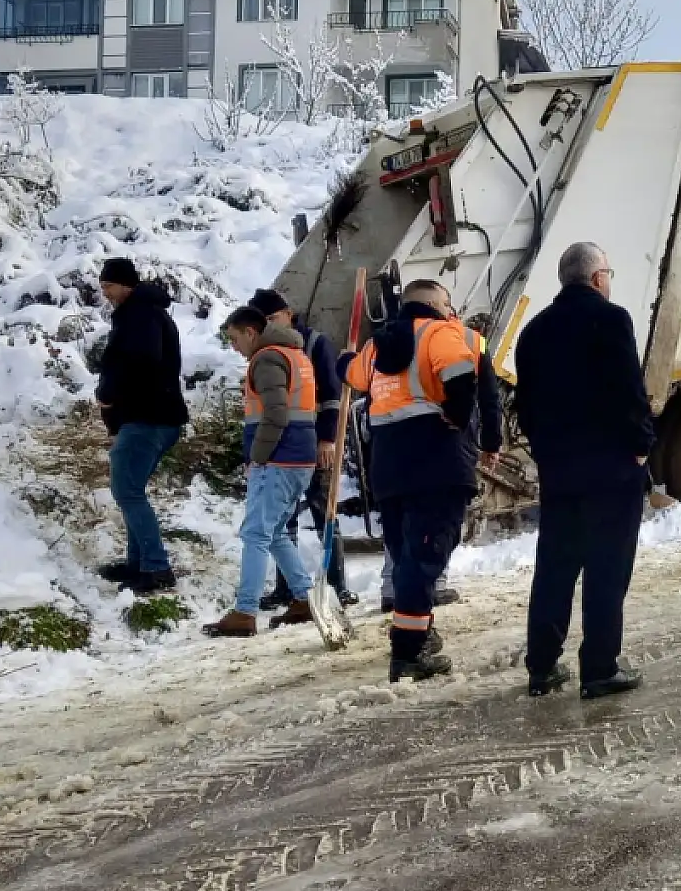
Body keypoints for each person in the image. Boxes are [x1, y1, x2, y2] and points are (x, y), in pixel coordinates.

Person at [340, 280, 500, 681]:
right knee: (425, 557)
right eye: (447, 303)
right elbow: (462, 381)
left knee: (408, 558)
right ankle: (408, 653)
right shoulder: (441, 334)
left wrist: (343, 360)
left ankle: (418, 634)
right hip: (436, 462)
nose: (451, 310)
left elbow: (352, 375)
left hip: (388, 469)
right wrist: (459, 419)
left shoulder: (375, 347)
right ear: (435, 304)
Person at [513, 242, 653, 699]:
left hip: (559, 472)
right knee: (606, 568)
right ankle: (599, 668)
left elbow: (525, 408)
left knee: (555, 568)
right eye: (608, 272)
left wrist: (546, 451)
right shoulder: (611, 320)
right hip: (611, 469)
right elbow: (628, 391)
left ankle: (542, 667)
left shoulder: (533, 333)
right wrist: (641, 445)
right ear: (597, 278)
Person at [201, 308, 323, 638]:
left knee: (256, 533)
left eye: (235, 338)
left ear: (251, 332)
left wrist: (257, 456)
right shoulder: (296, 355)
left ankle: (245, 612)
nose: (234, 346)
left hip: (278, 459)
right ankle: (304, 598)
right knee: (276, 531)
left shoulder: (267, 358)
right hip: (300, 456)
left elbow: (276, 413)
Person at [245, 288, 359, 610]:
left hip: (314, 442)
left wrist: (328, 439)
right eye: (263, 320)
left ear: (288, 314)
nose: (269, 325)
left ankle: (336, 585)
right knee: (284, 520)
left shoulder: (313, 344)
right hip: (281, 448)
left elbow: (332, 396)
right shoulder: (265, 351)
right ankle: (289, 589)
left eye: (272, 318)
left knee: (324, 512)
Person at [94, 258, 189, 595]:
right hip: (153, 416)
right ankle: (139, 563)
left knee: (127, 491)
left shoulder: (140, 314)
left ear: (126, 284)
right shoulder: (143, 312)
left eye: (109, 286)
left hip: (148, 417)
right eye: (103, 287)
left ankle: (156, 566)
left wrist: (108, 393)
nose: (105, 293)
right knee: (131, 490)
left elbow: (138, 362)